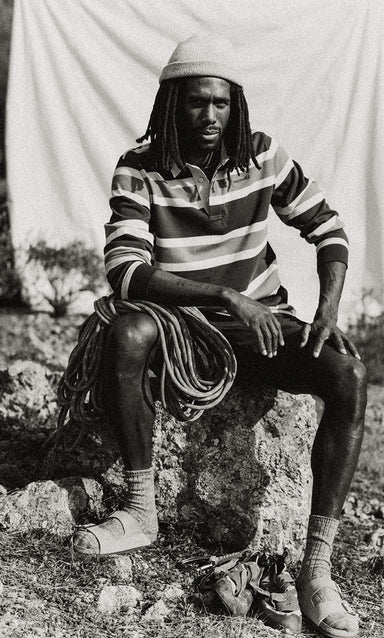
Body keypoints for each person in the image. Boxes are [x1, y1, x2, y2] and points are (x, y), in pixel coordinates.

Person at [72, 33, 366, 638]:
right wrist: (224, 296)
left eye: (222, 103)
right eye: (196, 103)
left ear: (237, 105)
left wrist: (328, 311)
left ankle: (316, 572)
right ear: (172, 104)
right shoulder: (140, 167)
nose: (210, 117)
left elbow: (329, 229)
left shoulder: (263, 156)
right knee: (126, 334)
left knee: (348, 375)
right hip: (186, 327)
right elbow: (125, 270)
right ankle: (140, 510)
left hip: (263, 325)